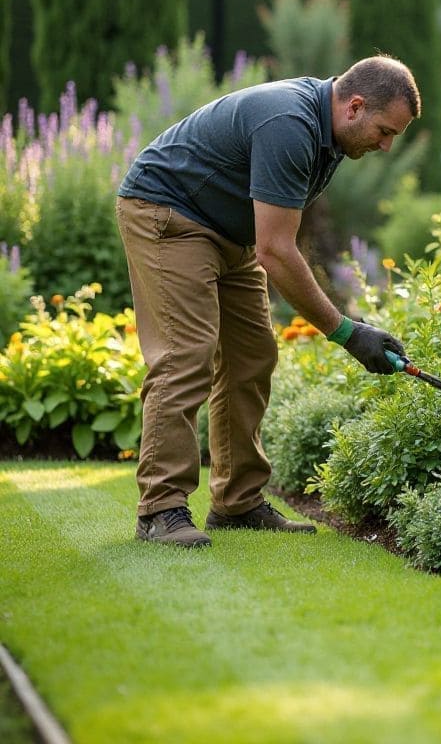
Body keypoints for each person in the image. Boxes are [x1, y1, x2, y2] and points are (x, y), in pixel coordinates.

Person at [116, 56, 420, 548]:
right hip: (167, 212)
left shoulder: (332, 136)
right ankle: (160, 509)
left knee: (253, 354)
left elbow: (276, 237)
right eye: (385, 132)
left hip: (226, 231)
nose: (386, 146)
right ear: (355, 106)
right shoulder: (290, 123)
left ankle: (237, 502)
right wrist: (347, 331)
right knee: (186, 353)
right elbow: (276, 251)